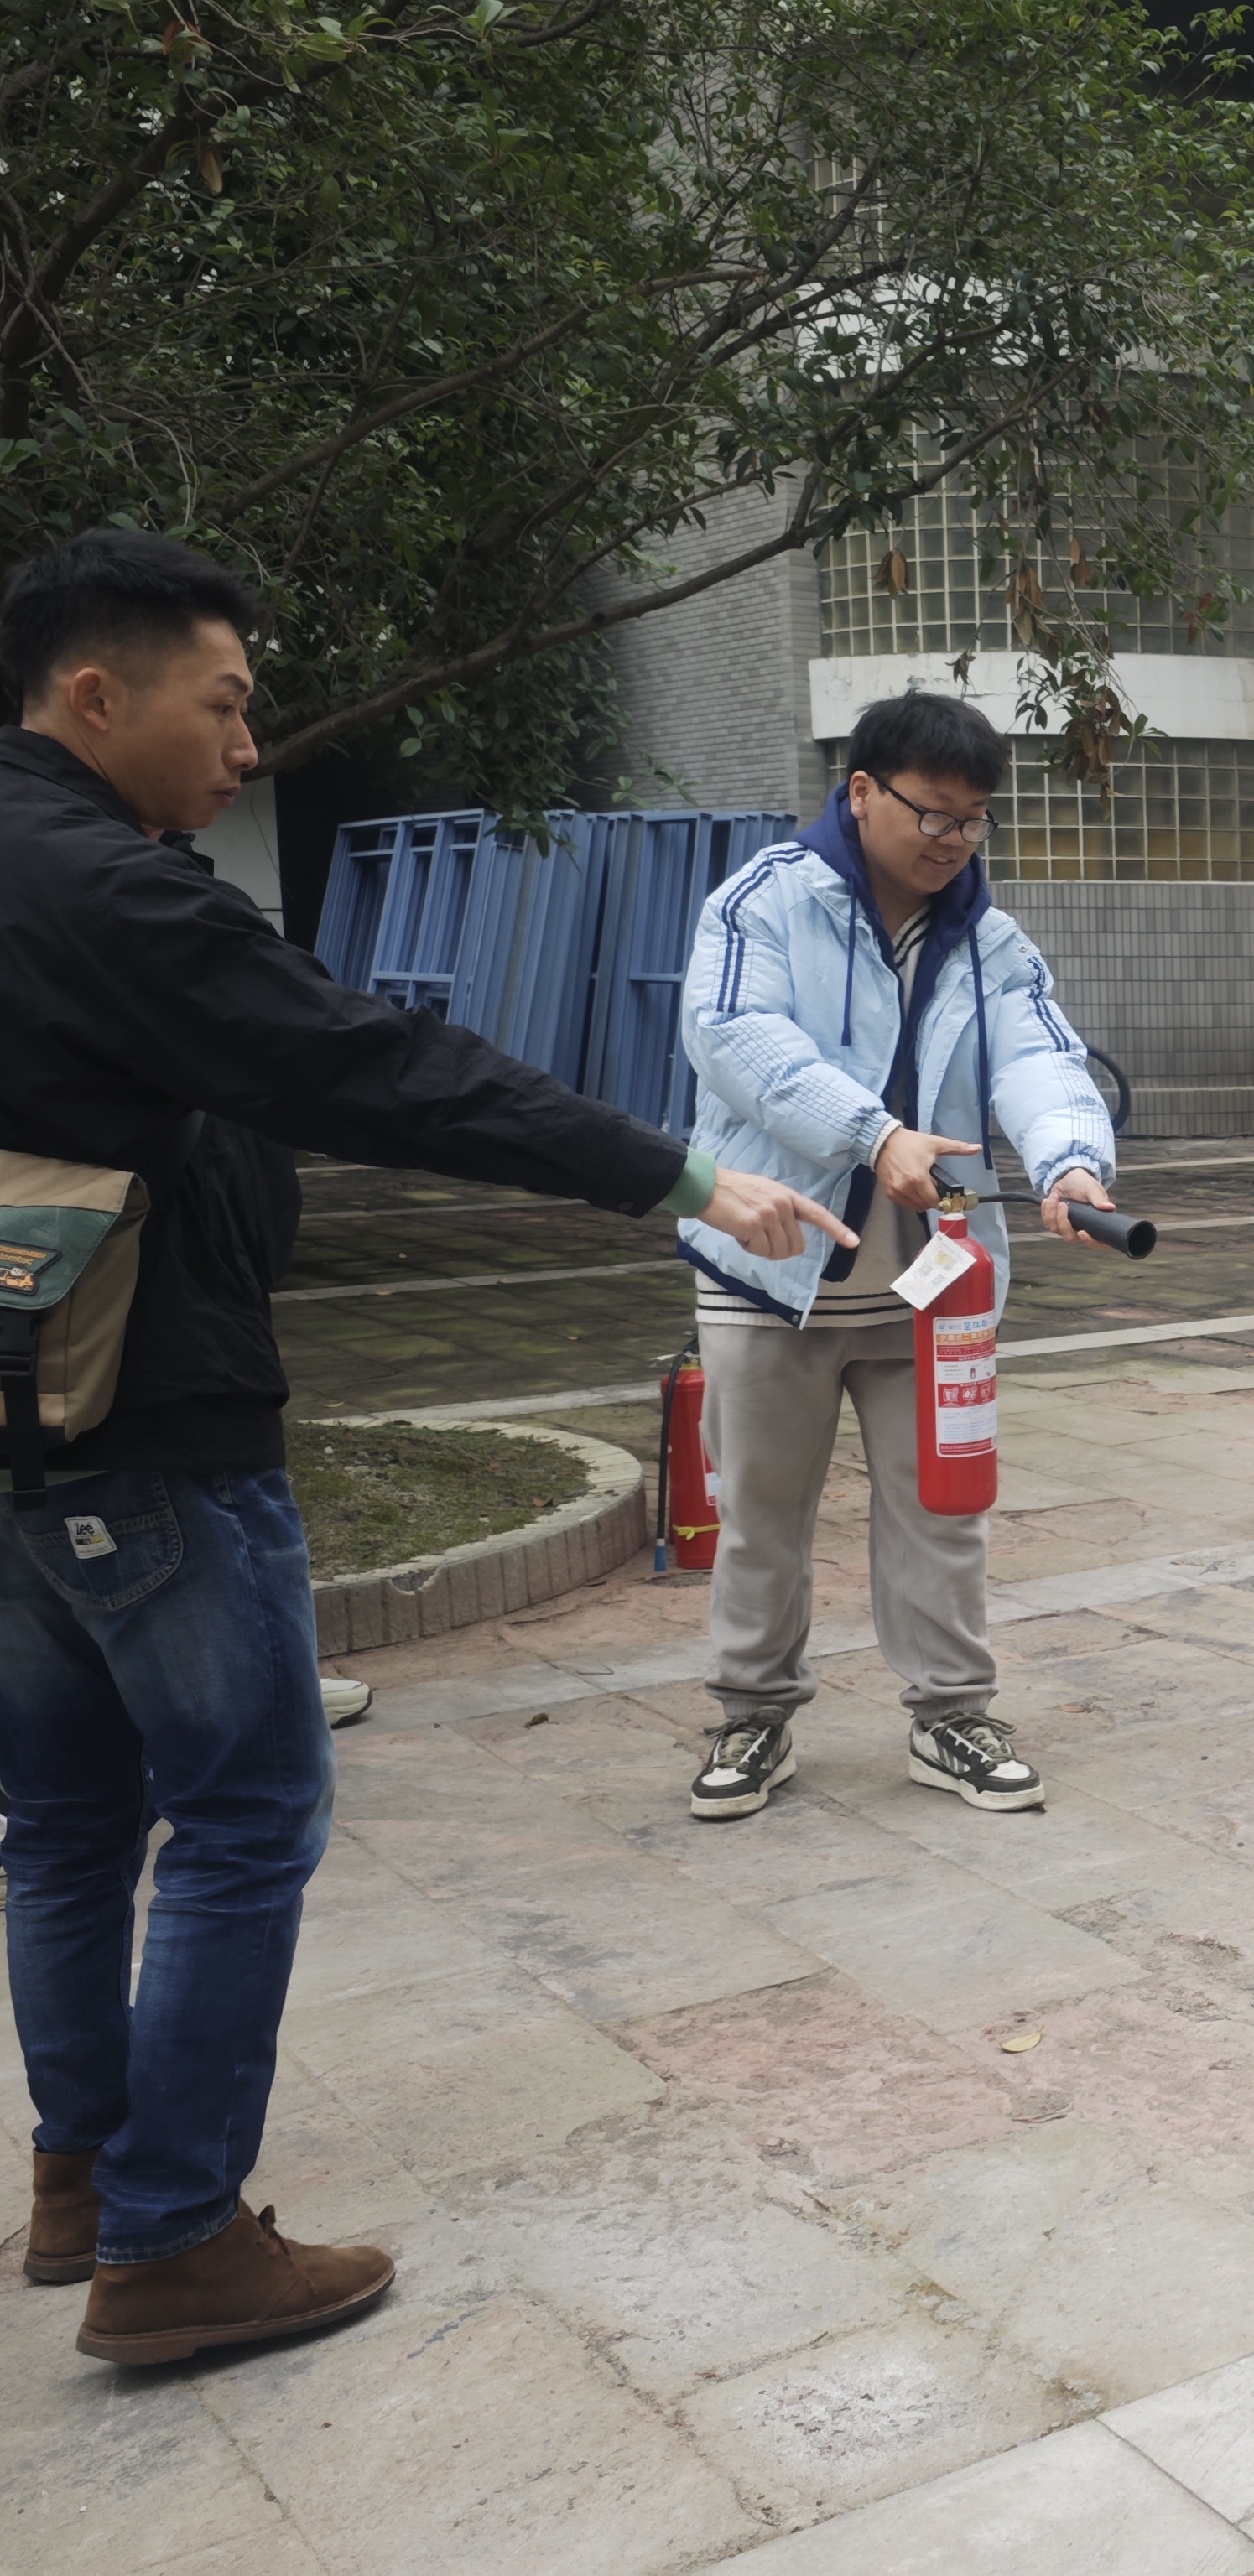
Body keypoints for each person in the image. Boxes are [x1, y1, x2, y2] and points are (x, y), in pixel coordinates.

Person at [0, 531, 850, 2365]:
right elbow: (373, 1065)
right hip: (152, 1416)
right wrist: (677, 1173)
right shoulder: (110, 892)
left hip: (20, 1427)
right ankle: (174, 2239)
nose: (248, 747)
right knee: (245, 1811)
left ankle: (81, 2179)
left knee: (62, 1821)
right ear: (96, 694)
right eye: (224, 704)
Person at [677, 692, 1122, 1820]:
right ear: (862, 790)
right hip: (768, 1270)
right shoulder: (763, 902)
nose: (953, 840)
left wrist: (1070, 1163)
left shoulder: (989, 941)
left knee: (943, 1509)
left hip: (936, 1288)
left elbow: (1038, 1059)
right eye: (933, 813)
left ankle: (952, 1714)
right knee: (761, 1515)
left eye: (972, 820)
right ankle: (752, 1714)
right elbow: (735, 1040)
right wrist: (872, 1135)